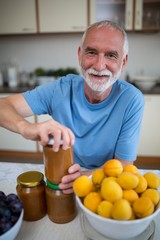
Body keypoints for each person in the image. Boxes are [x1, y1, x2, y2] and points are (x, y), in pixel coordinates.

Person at [0, 20, 144, 193]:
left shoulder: (131, 99)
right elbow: (4, 106)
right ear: (80, 55)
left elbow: (124, 165)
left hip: (106, 182)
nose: (99, 66)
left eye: (111, 55)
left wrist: (86, 176)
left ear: (124, 61)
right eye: (91, 52)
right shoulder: (60, 89)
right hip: (62, 179)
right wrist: (26, 127)